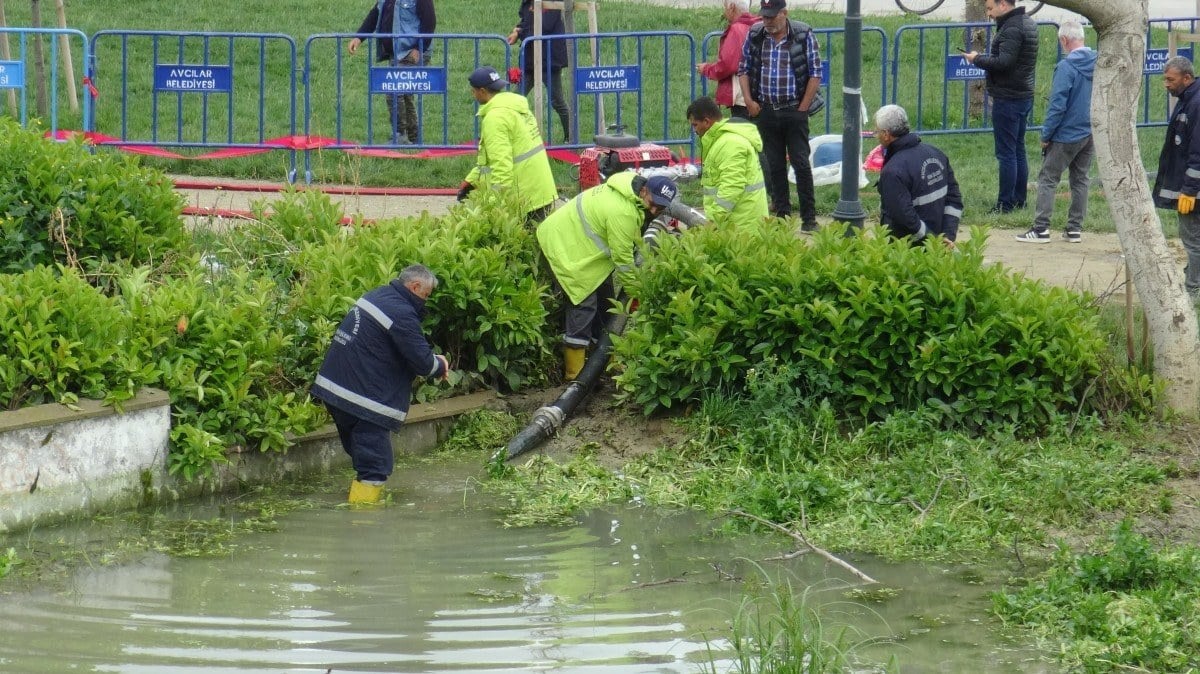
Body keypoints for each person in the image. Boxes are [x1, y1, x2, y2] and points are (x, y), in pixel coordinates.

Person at [311, 264, 450, 504]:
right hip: (363, 400)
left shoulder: (376, 295)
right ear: (415, 286)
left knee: (364, 460)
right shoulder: (401, 312)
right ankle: (364, 526)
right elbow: (423, 363)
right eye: (426, 296)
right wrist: (440, 365)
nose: (425, 302)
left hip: (335, 392)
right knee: (375, 466)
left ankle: (360, 506)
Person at [536, 173, 678, 380]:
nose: (654, 211)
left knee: (607, 302)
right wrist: (638, 291)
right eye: (653, 204)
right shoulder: (624, 213)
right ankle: (575, 375)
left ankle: (602, 362)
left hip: (576, 244)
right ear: (644, 190)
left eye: (661, 208)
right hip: (563, 249)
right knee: (584, 304)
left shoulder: (628, 188)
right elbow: (623, 261)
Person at [737, 0, 823, 232]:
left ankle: (809, 219)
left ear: (784, 14)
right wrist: (749, 101)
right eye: (764, 17)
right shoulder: (756, 34)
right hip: (765, 110)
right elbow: (743, 68)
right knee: (775, 166)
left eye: (772, 17)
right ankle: (783, 217)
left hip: (794, 110)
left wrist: (803, 108)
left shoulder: (803, 34)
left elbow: (815, 73)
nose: (767, 22)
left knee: (801, 164)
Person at [1017, 21, 1095, 244]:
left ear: (1064, 40)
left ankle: (1041, 228)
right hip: (1089, 130)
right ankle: (1074, 229)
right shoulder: (1098, 61)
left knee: (1048, 178)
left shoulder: (1066, 67)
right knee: (1080, 179)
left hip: (1066, 133)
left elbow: (1057, 104)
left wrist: (1046, 134)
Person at [964, 0, 1038, 214]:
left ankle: (1005, 204)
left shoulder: (1012, 28)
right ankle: (1019, 200)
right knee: (1018, 149)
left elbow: (1004, 63)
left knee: (1007, 152)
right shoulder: (1027, 23)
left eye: (990, 8)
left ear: (1003, 5)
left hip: (1009, 97)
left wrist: (978, 59)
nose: (989, 14)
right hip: (1023, 93)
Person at [458, 66, 558, 225]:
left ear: (482, 91)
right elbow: (491, 159)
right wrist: (472, 180)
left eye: (473, 91)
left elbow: (501, 167)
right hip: (540, 190)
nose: (473, 94)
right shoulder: (517, 108)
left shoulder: (495, 118)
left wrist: (493, 205)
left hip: (525, 197)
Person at [348, 0, 437, 145]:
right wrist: (359, 37)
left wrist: (418, 48)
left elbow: (429, 22)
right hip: (397, 53)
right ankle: (413, 138)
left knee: (394, 89)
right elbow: (375, 14)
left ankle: (400, 135)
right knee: (404, 93)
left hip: (412, 52)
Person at [873, 104, 963, 247]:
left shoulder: (892, 171)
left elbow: (905, 218)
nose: (876, 135)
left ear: (886, 134)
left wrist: (934, 242)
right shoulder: (936, 153)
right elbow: (954, 198)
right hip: (940, 244)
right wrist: (947, 237)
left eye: (876, 132)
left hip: (909, 252)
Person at [1153, 56, 1200, 298]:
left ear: (1187, 78)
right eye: (1164, 79)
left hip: (1194, 191)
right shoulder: (1189, 99)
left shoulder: (1195, 104)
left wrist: (1190, 190)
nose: (1166, 84)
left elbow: (1197, 152)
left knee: (1193, 242)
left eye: (1170, 79)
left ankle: (1193, 291)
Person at [686, 95, 768, 227]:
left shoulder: (730, 144)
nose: (694, 130)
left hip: (741, 226)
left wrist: (714, 221)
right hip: (736, 220)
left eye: (695, 125)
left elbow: (731, 186)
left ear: (707, 122)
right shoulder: (721, 141)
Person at [508, 0, 572, 143]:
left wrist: (521, 31)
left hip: (549, 60)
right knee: (516, 98)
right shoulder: (527, 3)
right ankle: (506, 135)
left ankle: (571, 138)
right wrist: (517, 31)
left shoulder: (553, 3)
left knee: (557, 101)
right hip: (531, 60)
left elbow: (543, 26)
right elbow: (526, 21)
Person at [697, 0, 758, 119]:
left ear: (732, 7)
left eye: (725, 7)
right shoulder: (759, 25)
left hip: (742, 98)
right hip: (761, 96)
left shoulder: (736, 30)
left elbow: (728, 65)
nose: (724, 12)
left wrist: (707, 69)